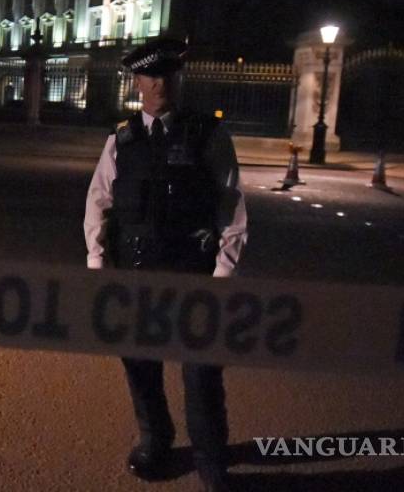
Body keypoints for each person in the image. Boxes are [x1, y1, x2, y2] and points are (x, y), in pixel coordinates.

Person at [83, 36, 247, 492]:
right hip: (135, 274)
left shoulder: (208, 134)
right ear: (137, 82)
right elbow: (99, 202)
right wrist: (97, 264)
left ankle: (212, 459)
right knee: (140, 366)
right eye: (151, 76)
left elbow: (231, 207)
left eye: (168, 74)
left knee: (201, 374)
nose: (160, 84)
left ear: (179, 77)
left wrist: (224, 273)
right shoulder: (122, 139)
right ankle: (156, 441)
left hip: (194, 274)